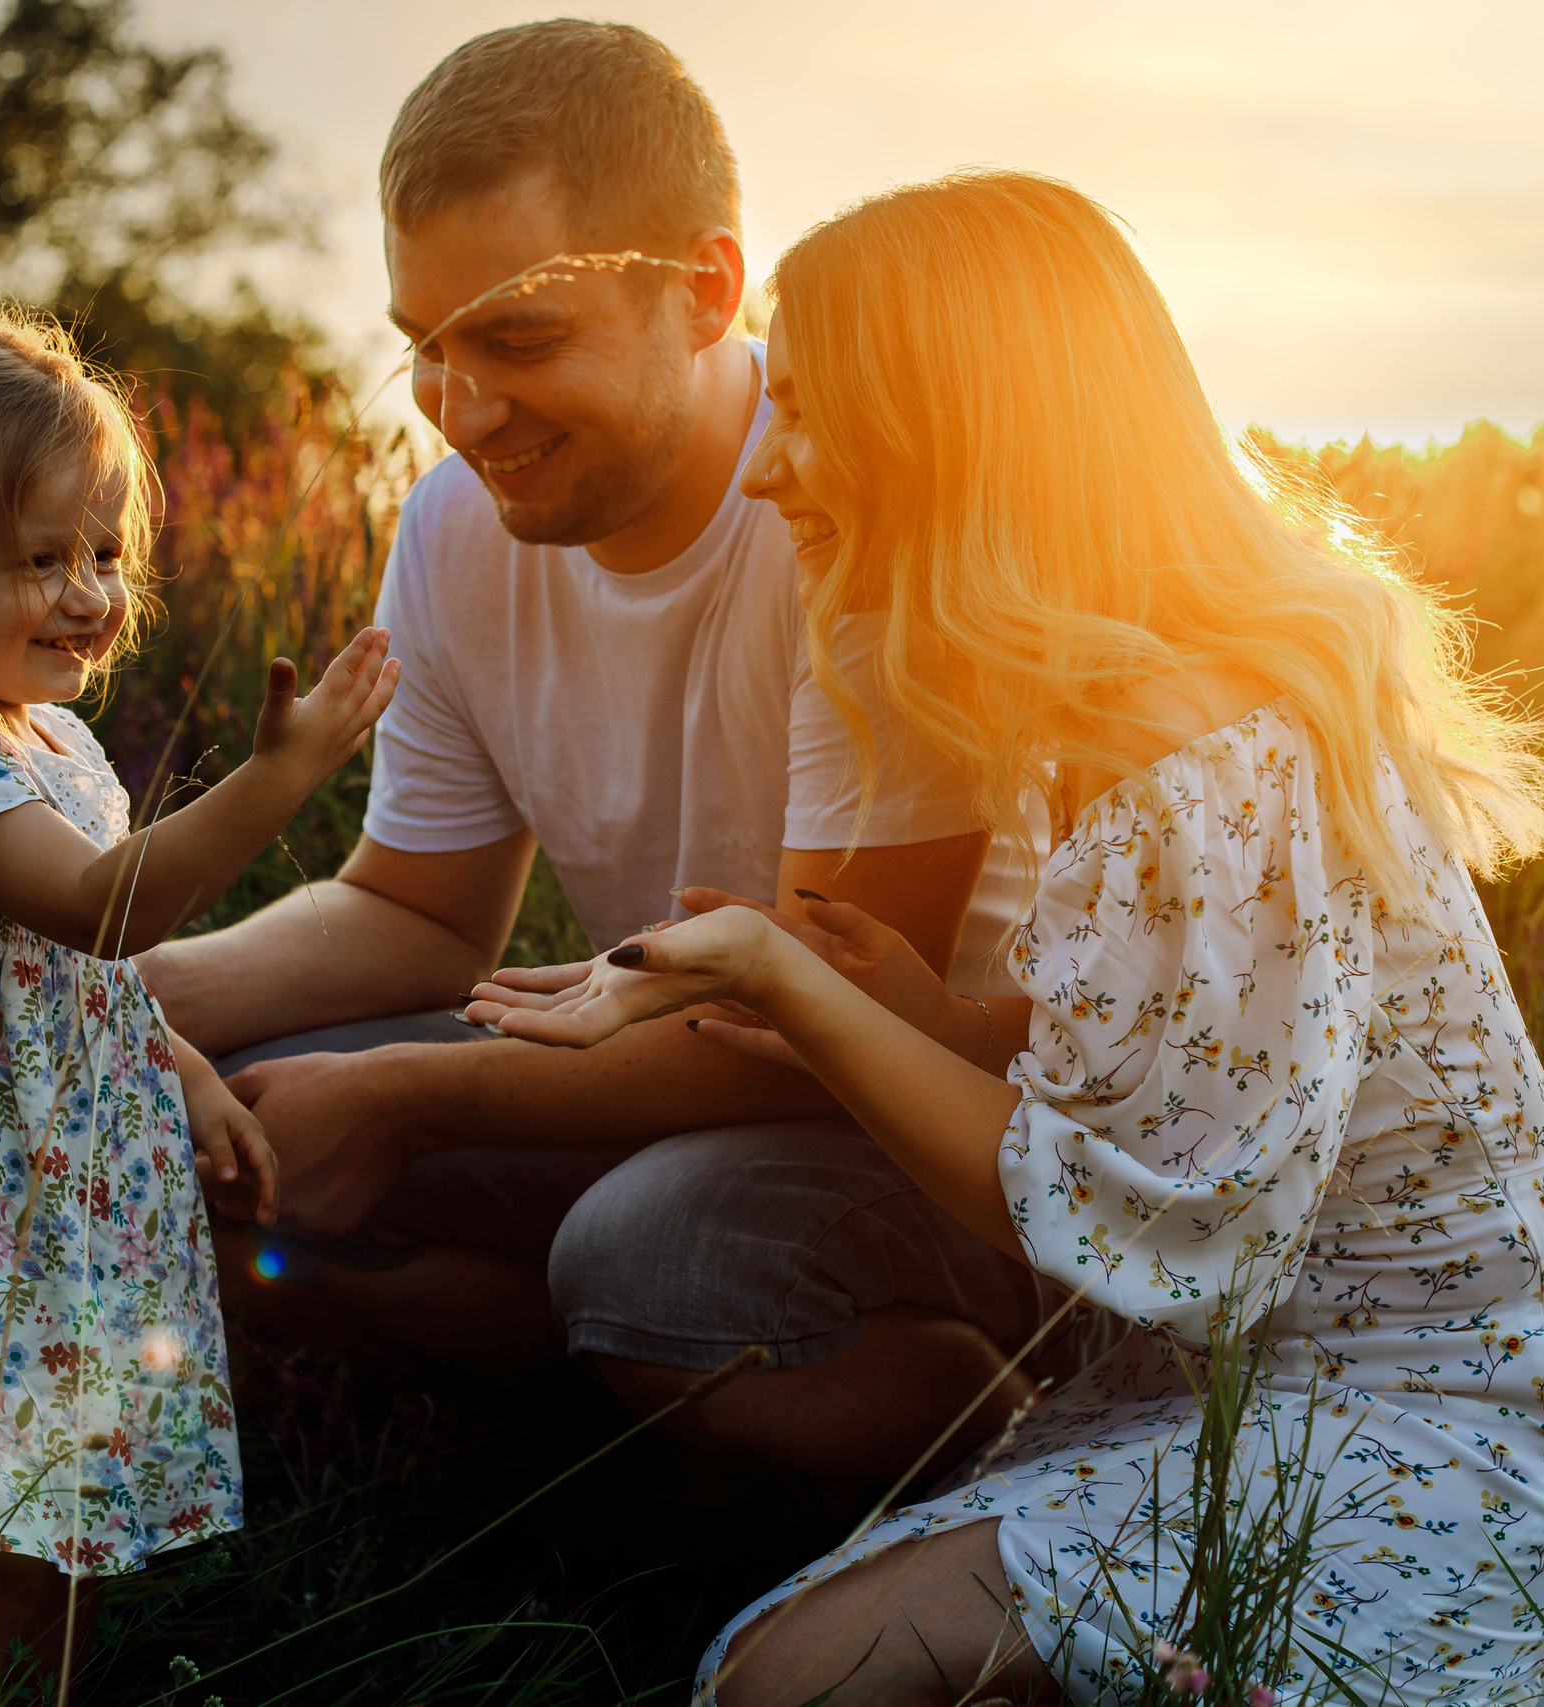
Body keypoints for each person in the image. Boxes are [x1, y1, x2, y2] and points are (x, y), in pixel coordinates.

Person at [467, 173, 1544, 1707]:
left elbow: (1173, 1236)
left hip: (1459, 1411)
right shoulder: (1113, 715)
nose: (770, 473)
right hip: (1252, 1383)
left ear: (945, 433)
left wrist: (789, 982)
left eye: (810, 416)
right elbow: (1193, 1079)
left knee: (789, 1688)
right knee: (772, 1673)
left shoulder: (1196, 752)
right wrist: (948, 1030)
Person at [142, 20, 1111, 1481]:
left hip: (953, 1139)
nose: (462, 415)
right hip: (656, 1077)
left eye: (520, 340)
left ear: (707, 290)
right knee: (196, 1133)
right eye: (426, 348)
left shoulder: (849, 506)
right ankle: (630, 1409)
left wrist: (408, 1097)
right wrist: (121, 1002)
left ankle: (1026, 1471)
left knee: (651, 1256)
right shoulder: (457, 530)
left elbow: (823, 1032)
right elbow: (415, 911)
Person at [0, 310, 399, 1705]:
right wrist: (280, 778)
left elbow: (72, 984)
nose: (89, 593)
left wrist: (186, 1071)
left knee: (63, 1549)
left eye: (104, 554)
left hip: (69, 1220)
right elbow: (115, 912)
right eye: (39, 558)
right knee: (2, 1565)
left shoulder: (47, 743)